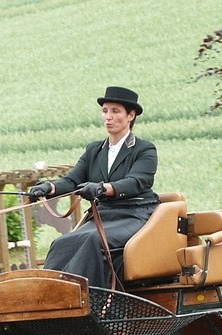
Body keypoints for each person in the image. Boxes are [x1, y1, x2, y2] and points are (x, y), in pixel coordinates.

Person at [29, 86, 159, 288]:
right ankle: (49, 293)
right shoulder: (94, 150)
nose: (108, 117)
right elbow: (72, 181)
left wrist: (101, 188)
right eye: (105, 111)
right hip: (104, 216)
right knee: (61, 243)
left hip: (134, 215)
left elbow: (136, 182)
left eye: (115, 111)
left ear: (131, 116)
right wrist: (48, 188)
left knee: (91, 239)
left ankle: (89, 296)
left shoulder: (144, 149)